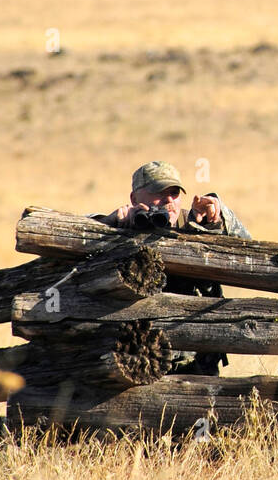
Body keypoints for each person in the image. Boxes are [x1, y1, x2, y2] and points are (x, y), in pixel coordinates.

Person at [91, 161, 250, 376]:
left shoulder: (195, 224)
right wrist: (108, 225)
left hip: (196, 361)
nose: (168, 201)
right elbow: (73, 239)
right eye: (158, 193)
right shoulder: (123, 223)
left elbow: (249, 253)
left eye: (174, 193)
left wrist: (218, 220)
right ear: (134, 199)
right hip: (135, 360)